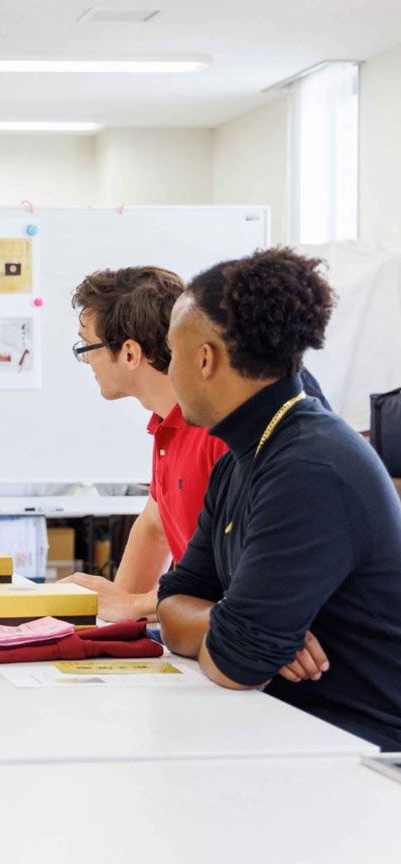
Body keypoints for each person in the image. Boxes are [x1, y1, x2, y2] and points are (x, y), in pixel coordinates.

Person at [158, 248, 401, 750]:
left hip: (359, 753)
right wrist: (234, 624)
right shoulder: (240, 458)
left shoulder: (311, 467)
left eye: (172, 353)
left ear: (205, 359)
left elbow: (236, 665)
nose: (171, 372)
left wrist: (242, 634)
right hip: (283, 729)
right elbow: (172, 604)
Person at [65, 266, 330, 622]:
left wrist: (133, 605)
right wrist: (116, 609)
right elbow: (156, 522)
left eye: (87, 347)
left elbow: (239, 578)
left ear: (129, 353)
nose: (86, 360)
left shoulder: (223, 432)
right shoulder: (165, 423)